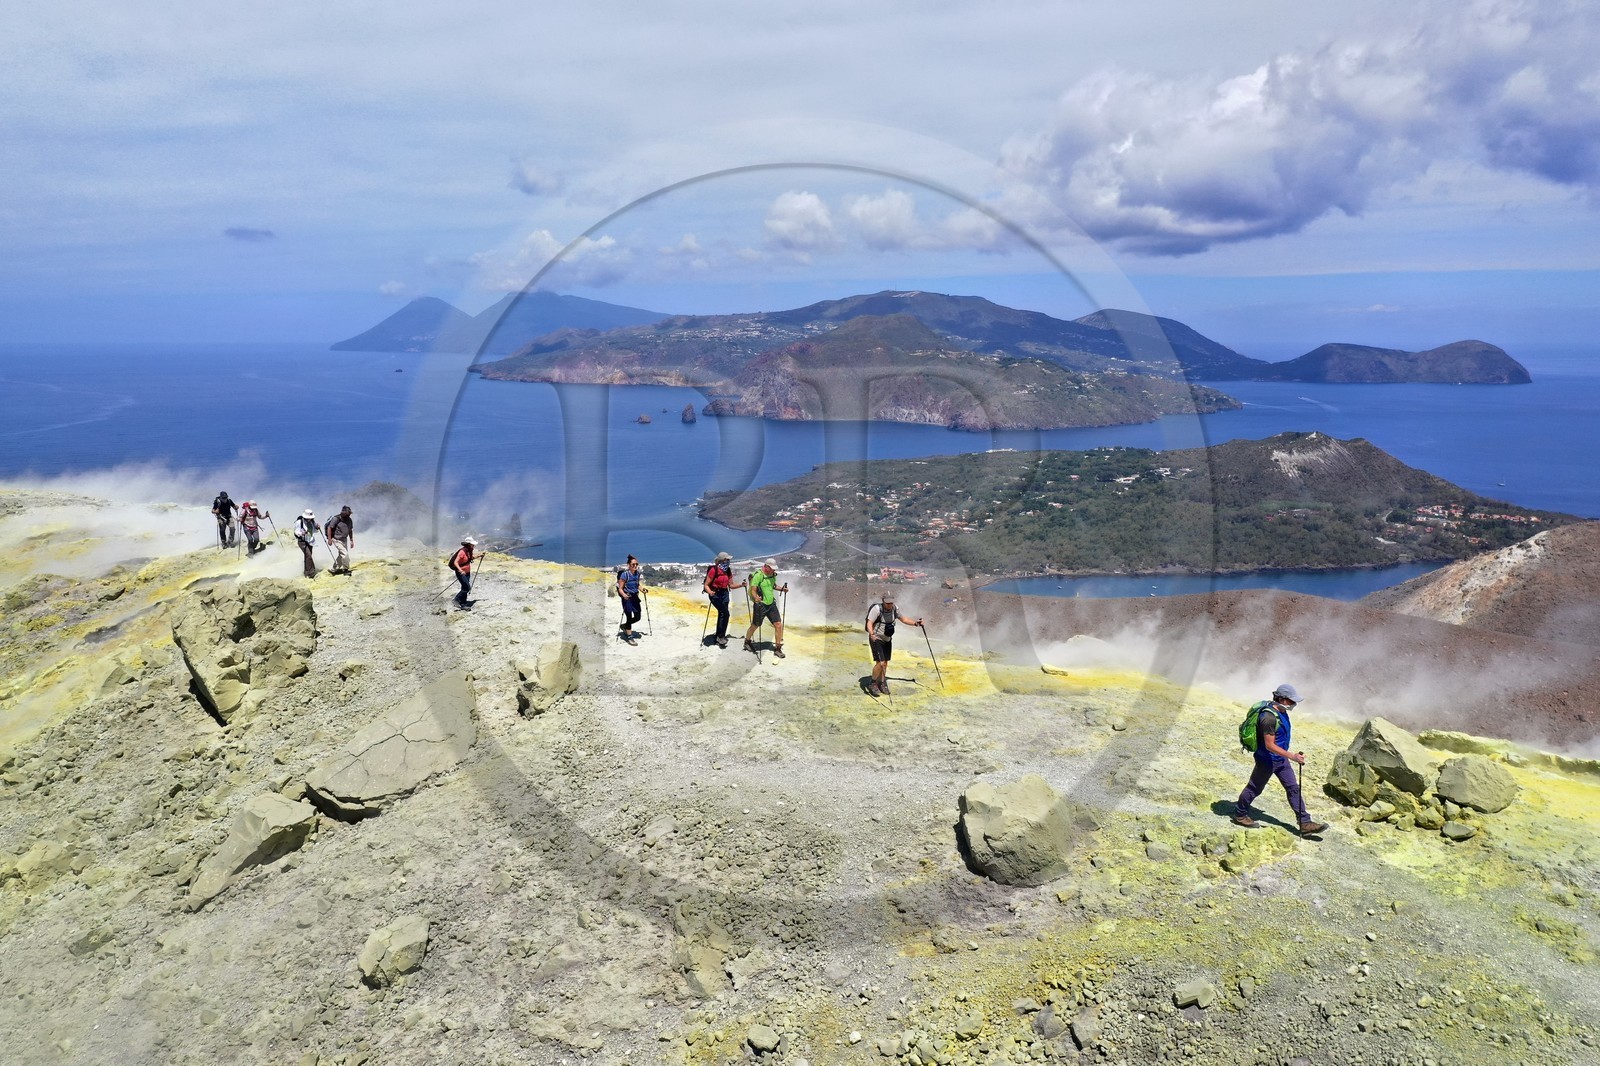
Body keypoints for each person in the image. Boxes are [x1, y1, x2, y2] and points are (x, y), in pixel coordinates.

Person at [1232, 683, 1329, 835]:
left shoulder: (1281, 711)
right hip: (1267, 760)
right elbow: (1269, 745)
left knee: (1293, 788)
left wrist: (1288, 756)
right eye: (1291, 701)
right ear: (1282, 699)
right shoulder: (1269, 718)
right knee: (1254, 788)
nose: (1294, 704)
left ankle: (1305, 823)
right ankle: (1240, 814)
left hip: (1280, 759)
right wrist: (1293, 756)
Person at [864, 591, 921, 695]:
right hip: (876, 638)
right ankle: (872, 683)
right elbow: (869, 622)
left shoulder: (895, 608)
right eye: (887, 603)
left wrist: (916, 623)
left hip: (887, 639)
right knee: (880, 663)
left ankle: (881, 682)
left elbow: (903, 619)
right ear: (883, 601)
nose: (889, 605)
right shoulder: (876, 609)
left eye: (891, 603)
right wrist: (872, 634)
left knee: (885, 663)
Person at [743, 558, 789, 659]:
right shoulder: (758, 576)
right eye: (772, 568)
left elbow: (772, 585)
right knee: (755, 625)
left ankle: (777, 648)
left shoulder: (772, 575)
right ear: (766, 567)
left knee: (778, 624)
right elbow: (753, 590)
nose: (774, 570)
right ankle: (747, 641)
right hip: (761, 604)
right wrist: (756, 598)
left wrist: (782, 589)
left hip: (771, 603)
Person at [702, 551, 746, 649]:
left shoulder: (728, 570)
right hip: (715, 594)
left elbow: (731, 585)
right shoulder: (714, 570)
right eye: (727, 559)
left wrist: (741, 585)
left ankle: (719, 635)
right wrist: (710, 592)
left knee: (722, 614)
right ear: (722, 560)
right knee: (725, 614)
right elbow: (706, 585)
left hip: (724, 593)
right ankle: (721, 637)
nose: (729, 561)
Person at [617, 554, 643, 641]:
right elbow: (620, 588)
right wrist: (624, 595)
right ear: (629, 565)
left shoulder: (637, 574)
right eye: (633, 564)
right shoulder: (625, 575)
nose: (635, 566)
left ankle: (625, 626)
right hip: (627, 598)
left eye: (636, 564)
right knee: (629, 616)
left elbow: (637, 584)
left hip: (635, 597)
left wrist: (642, 590)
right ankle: (629, 636)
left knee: (637, 617)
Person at [448, 536, 477, 610]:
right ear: (468, 544)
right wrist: (460, 570)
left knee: (464, 587)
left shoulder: (469, 550)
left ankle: (463, 604)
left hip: (467, 572)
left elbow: (470, 558)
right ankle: (456, 599)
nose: (473, 546)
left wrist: (479, 556)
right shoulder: (462, 551)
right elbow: (455, 562)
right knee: (467, 587)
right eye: (472, 544)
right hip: (461, 573)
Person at [325, 505, 355, 575]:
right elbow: (330, 528)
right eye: (348, 513)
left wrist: (351, 540)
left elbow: (350, 530)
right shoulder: (336, 518)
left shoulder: (349, 520)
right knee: (345, 554)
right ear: (343, 513)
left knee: (342, 555)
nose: (349, 515)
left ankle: (334, 569)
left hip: (344, 539)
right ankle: (346, 570)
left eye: (349, 513)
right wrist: (329, 539)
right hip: (336, 539)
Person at [293, 509, 319, 578]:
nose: (309, 519)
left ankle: (307, 572)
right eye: (308, 518)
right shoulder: (299, 522)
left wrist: (317, 528)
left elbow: (315, 531)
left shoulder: (312, 522)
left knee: (308, 557)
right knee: (309, 556)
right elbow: (296, 532)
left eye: (310, 518)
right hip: (302, 541)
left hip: (310, 541)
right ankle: (310, 573)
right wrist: (302, 533)